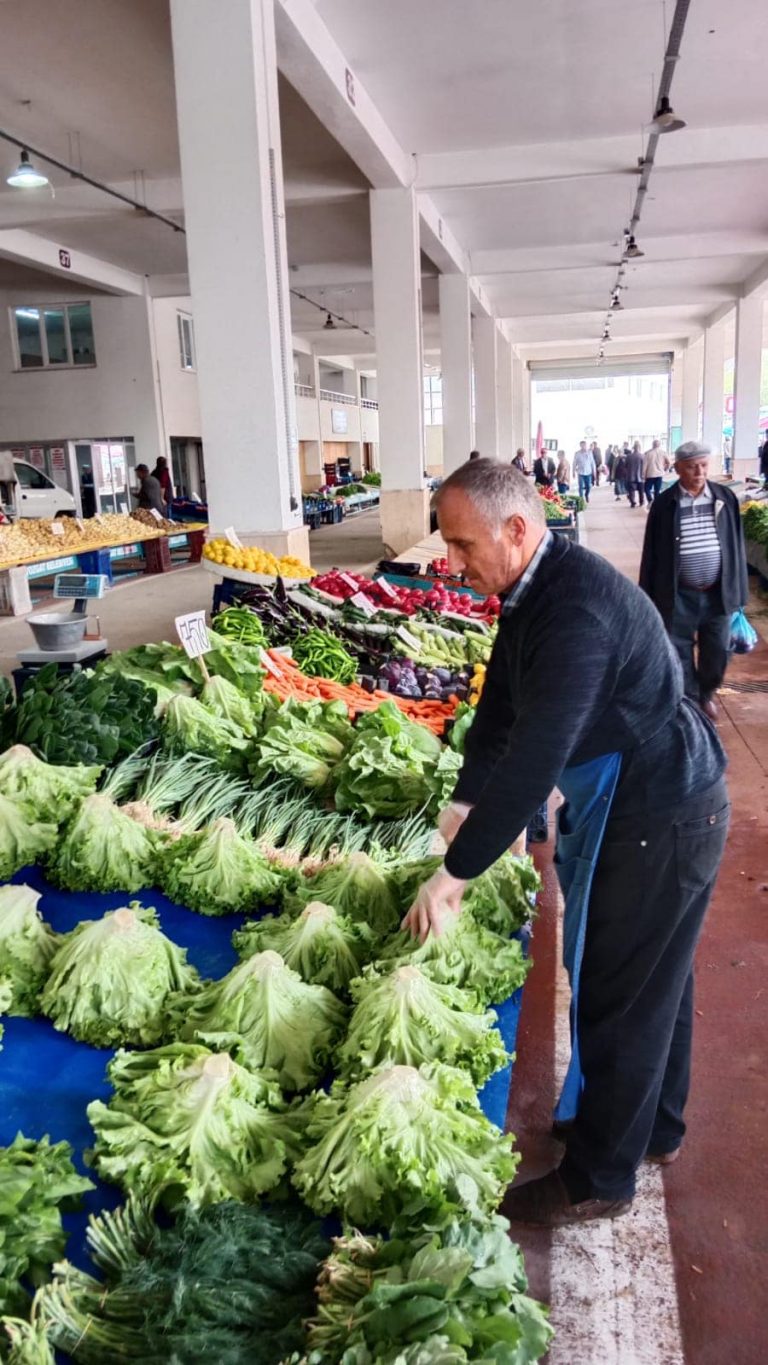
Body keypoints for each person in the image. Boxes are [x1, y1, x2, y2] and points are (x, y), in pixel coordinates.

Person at [403, 459, 728, 1227]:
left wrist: (452, 876)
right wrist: (461, 802)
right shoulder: (533, 591)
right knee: (657, 981)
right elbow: (499, 715)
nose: (451, 565)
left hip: (663, 809)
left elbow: (536, 760)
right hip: (665, 798)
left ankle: (599, 1178)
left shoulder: (574, 612)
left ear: (516, 530)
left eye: (461, 546)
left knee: (622, 995)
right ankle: (656, 1129)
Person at [640, 440, 748, 720]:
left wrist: (740, 592)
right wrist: (648, 596)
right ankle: (690, 700)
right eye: (691, 467)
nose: (699, 472)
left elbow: (737, 547)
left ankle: (707, 691)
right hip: (678, 593)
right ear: (677, 469)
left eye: (703, 465)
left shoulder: (725, 497)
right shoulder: (664, 504)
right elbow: (651, 552)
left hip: (718, 593)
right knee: (679, 651)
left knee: (718, 650)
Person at [642, 439, 670, 504]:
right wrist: (665, 469)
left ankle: (650, 500)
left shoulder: (648, 453)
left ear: (652, 445)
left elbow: (644, 466)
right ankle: (656, 504)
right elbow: (669, 463)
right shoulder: (663, 453)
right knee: (657, 490)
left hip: (650, 474)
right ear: (659, 445)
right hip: (659, 474)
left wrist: (643, 475)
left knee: (646, 489)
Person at [625, 441, 645, 507]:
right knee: (641, 491)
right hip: (641, 476)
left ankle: (632, 502)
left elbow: (625, 466)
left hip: (631, 476)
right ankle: (641, 502)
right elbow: (645, 466)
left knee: (631, 491)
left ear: (633, 448)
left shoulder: (628, 456)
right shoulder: (642, 456)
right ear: (639, 448)